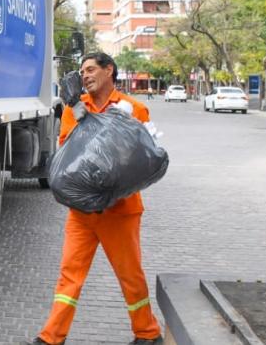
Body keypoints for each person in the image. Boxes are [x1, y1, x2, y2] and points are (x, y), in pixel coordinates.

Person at [26, 52, 163, 345]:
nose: (85, 75)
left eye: (90, 69)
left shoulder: (134, 109)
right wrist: (77, 111)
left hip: (120, 211)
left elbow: (137, 159)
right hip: (82, 214)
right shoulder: (74, 109)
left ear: (108, 70)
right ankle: (51, 337)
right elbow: (70, 154)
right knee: (69, 276)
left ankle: (148, 333)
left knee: (130, 276)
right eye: (82, 72)